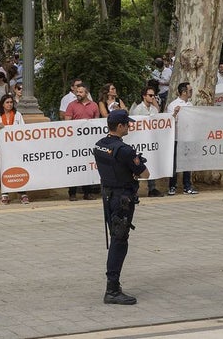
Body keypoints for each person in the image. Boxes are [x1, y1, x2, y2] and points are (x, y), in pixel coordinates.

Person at [93, 109, 150, 305]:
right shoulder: (125, 150)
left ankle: (114, 286)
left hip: (108, 197)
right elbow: (145, 173)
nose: (129, 126)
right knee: (120, 241)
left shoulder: (100, 145)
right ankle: (112, 289)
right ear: (120, 126)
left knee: (117, 237)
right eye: (127, 124)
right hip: (122, 199)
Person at [0, 93, 27, 204]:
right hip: (0, 147)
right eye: (7, 102)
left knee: (18, 168)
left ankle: (22, 193)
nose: (9, 104)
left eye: (11, 102)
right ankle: (4, 194)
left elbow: (24, 130)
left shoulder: (18, 115)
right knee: (2, 171)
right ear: (2, 104)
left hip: (15, 148)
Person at [165, 81, 196, 195]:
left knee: (187, 162)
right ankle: (172, 186)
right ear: (183, 92)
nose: (191, 93)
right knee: (174, 163)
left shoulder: (190, 105)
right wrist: (175, 113)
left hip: (187, 137)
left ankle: (187, 186)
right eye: (190, 91)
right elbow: (169, 122)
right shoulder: (173, 105)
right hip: (176, 137)